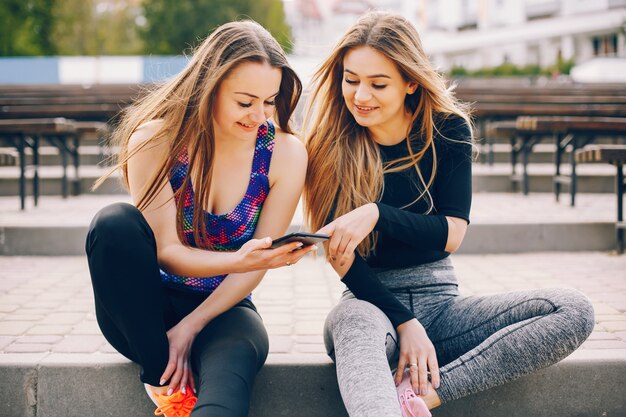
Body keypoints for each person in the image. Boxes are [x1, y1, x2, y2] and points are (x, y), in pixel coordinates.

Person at [302, 11, 595, 417]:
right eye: (351, 80)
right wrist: (405, 323)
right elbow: (340, 258)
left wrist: (376, 214)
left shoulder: (448, 129)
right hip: (369, 304)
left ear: (410, 82)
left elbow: (451, 233)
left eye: (377, 83)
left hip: (441, 307)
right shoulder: (328, 144)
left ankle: (418, 400)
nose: (360, 96)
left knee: (572, 309)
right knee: (352, 321)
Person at [85, 20, 314, 417]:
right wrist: (239, 259)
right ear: (208, 88)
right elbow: (167, 252)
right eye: (245, 102)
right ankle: (163, 383)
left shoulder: (285, 153)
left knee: (225, 394)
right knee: (113, 223)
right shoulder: (155, 140)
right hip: (145, 311)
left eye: (269, 101)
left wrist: (192, 325)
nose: (259, 116)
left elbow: (250, 271)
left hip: (226, 309)